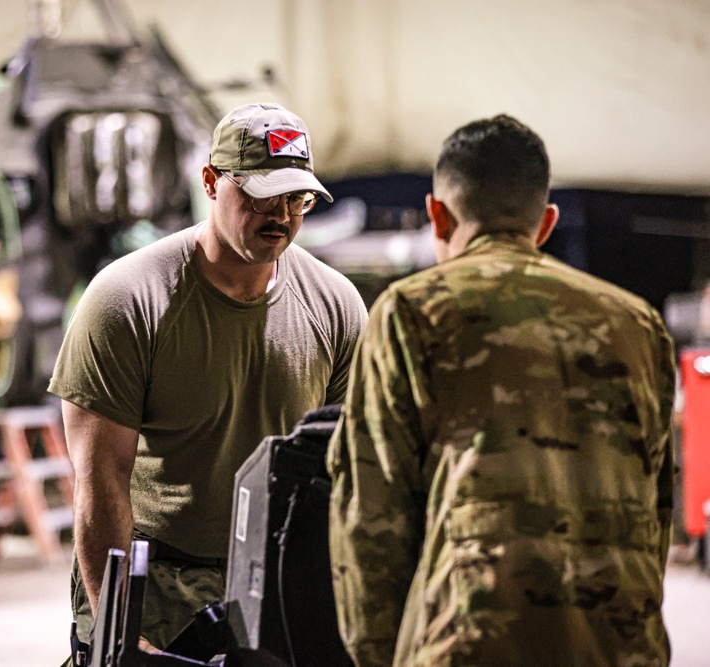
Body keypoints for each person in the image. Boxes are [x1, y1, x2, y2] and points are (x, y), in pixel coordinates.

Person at [328, 115, 676, 667]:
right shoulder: (638, 324)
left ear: (437, 215)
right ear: (546, 223)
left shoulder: (411, 312)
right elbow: (658, 508)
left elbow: (371, 512)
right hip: (620, 643)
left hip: (472, 640)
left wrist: (377, 654)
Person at [49, 102, 368, 659]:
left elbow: (343, 473)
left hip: (277, 570)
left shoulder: (336, 306)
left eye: (299, 199)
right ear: (211, 183)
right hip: (156, 579)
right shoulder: (128, 301)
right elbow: (100, 485)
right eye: (262, 195)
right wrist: (118, 633)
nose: (282, 215)